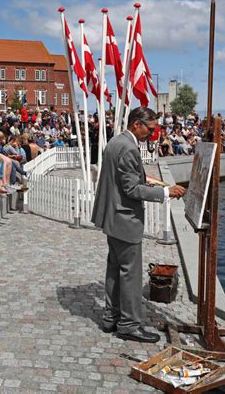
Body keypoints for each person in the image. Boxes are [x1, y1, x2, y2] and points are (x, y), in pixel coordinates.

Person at [91, 106, 186, 343]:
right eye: (150, 129)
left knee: (115, 269)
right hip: (124, 220)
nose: (152, 135)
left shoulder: (116, 142)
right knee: (130, 275)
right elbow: (131, 189)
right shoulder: (129, 148)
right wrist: (165, 192)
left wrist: (146, 181)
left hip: (113, 218)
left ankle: (110, 317)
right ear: (137, 124)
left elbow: (123, 181)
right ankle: (129, 325)